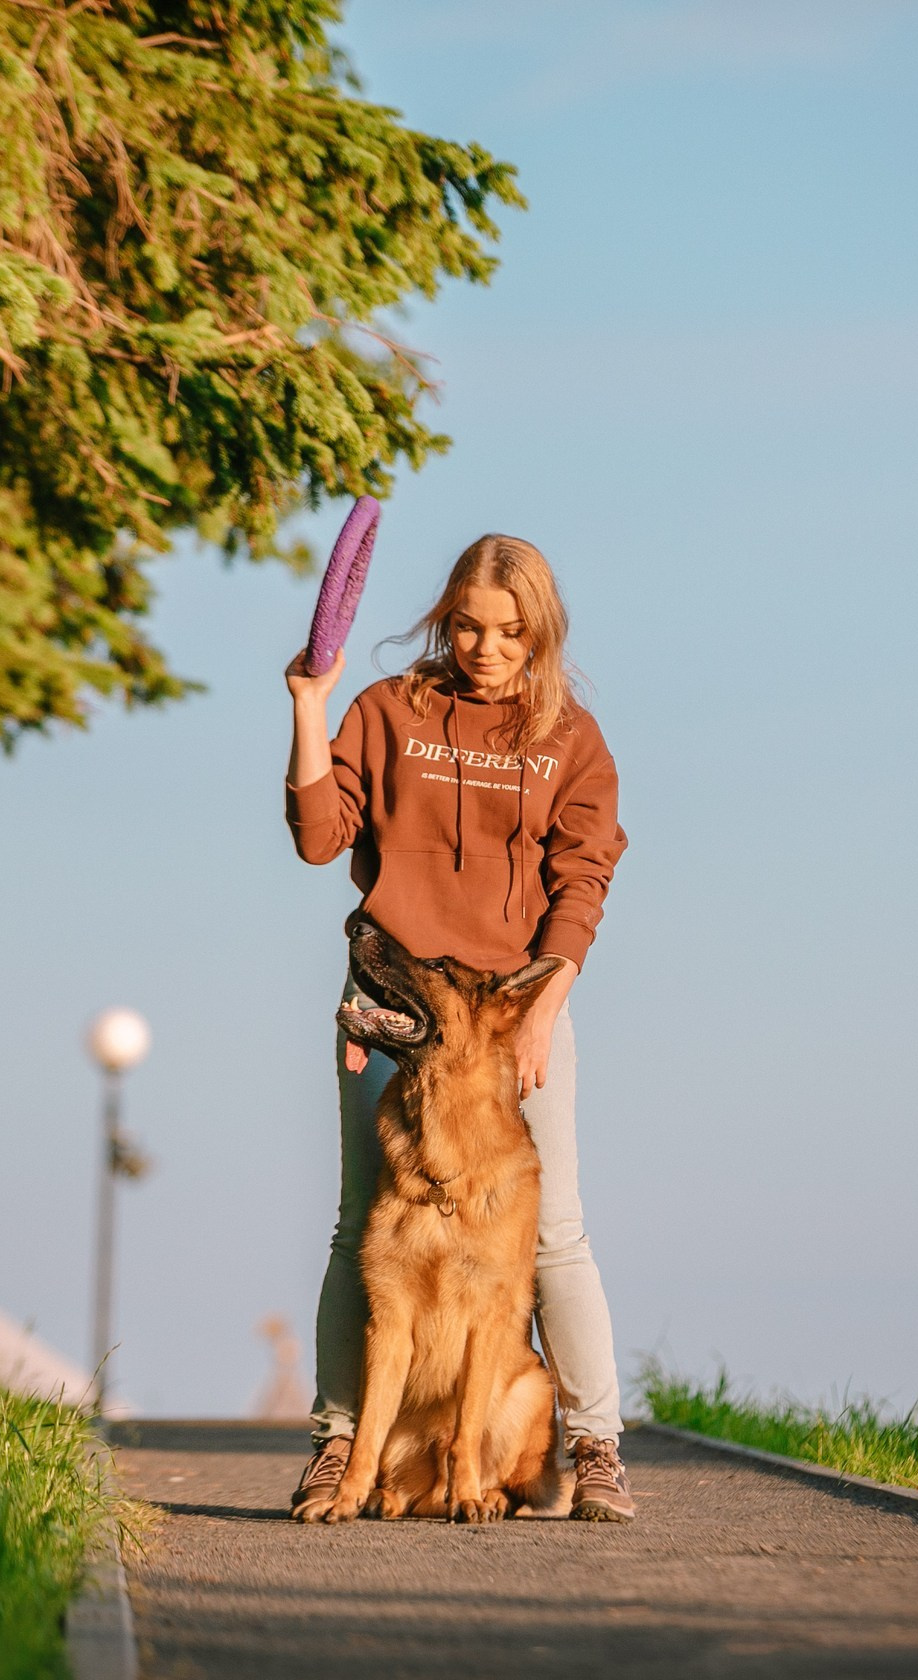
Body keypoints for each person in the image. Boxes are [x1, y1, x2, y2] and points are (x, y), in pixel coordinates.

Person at [281, 532, 635, 1523]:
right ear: (445, 619)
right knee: (365, 1228)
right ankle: (338, 1440)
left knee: (551, 1233)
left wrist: (541, 1016)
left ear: (540, 635)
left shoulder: (571, 739)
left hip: (515, 1016)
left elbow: (582, 883)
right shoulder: (391, 711)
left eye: (511, 633)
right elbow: (320, 838)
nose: (487, 649)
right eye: (471, 627)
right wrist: (310, 708)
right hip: (395, 1008)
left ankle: (597, 1446)